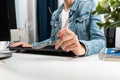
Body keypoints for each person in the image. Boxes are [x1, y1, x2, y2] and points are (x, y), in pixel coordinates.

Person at [11, 0, 106, 56]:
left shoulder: (91, 5)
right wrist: (32, 46)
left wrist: (81, 47)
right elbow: (52, 41)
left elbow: (101, 41)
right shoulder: (56, 13)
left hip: (82, 64)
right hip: (60, 60)